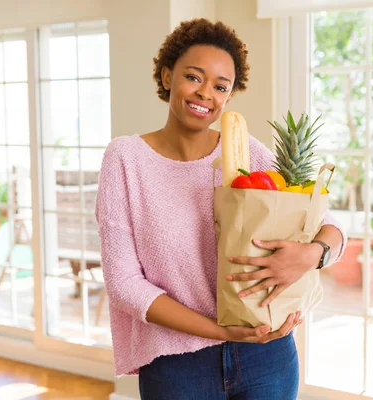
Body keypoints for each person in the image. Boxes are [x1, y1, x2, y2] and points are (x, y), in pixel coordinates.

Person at [95, 18, 347, 400]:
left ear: (229, 96)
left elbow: (330, 227)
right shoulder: (126, 159)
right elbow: (124, 285)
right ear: (166, 77)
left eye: (220, 86)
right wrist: (220, 331)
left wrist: (312, 255)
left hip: (267, 354)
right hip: (177, 364)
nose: (205, 94)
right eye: (193, 77)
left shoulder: (246, 152)